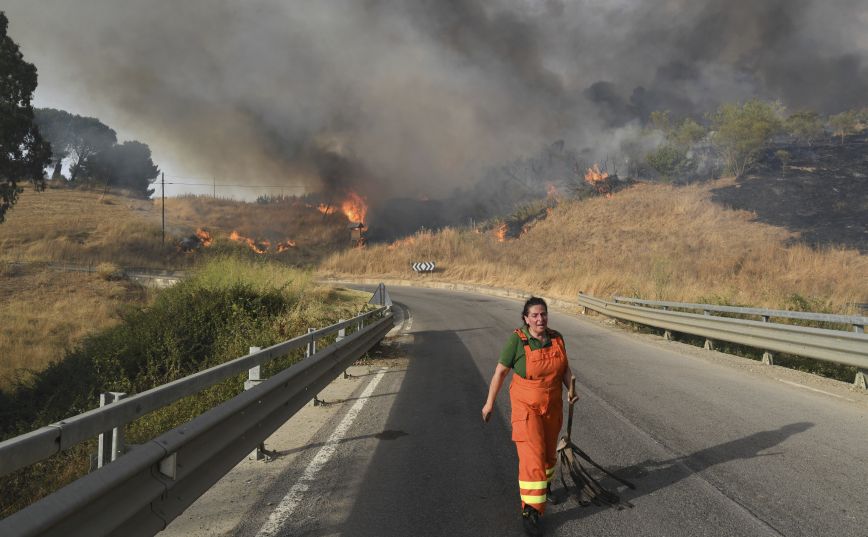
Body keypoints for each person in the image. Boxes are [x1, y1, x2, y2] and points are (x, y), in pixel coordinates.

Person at [482, 297, 578, 537]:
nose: (540, 319)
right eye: (534, 315)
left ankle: (544, 488)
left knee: (548, 455)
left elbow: (565, 369)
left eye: (543, 314)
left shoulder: (557, 338)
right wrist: (489, 403)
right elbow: (500, 372)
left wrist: (570, 389)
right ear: (526, 318)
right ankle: (531, 511)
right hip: (526, 407)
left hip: (552, 405)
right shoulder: (517, 341)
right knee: (532, 457)